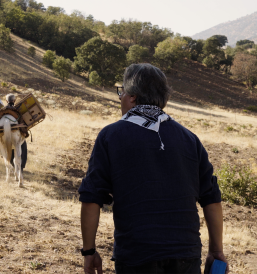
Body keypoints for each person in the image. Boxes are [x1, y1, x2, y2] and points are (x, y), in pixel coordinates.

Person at [78, 63, 228, 274]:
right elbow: (211, 199)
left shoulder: (111, 136)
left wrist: (89, 251)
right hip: (186, 254)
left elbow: (92, 198)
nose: (120, 97)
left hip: (137, 254)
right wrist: (216, 251)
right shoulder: (189, 139)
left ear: (131, 96)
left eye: (121, 91)